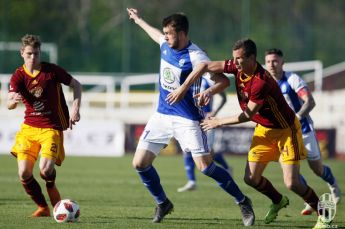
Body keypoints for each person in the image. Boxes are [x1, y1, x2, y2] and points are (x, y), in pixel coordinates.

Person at [127, 8, 255, 226]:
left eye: (170, 33)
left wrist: (207, 91)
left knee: (205, 167)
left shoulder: (196, 56)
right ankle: (163, 203)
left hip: (188, 119)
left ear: (183, 34)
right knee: (139, 163)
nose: (166, 37)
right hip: (162, 115)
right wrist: (138, 20)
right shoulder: (165, 45)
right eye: (165, 33)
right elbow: (154, 34)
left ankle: (242, 201)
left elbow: (223, 81)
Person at [187, 38, 330, 229]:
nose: (235, 63)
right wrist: (209, 89)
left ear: (252, 58)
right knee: (251, 178)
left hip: (286, 130)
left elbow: (247, 115)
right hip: (264, 130)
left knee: (292, 183)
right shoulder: (237, 66)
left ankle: (324, 214)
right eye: (234, 58)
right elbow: (207, 66)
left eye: (239, 59)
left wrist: (218, 122)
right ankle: (278, 201)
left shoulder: (261, 81)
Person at [7, 34, 82, 217]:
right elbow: (9, 102)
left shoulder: (52, 71)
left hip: (51, 127)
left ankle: (51, 185)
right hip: (29, 129)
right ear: (22, 53)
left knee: (46, 170)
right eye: (30, 54)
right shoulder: (18, 76)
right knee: (24, 173)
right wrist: (13, 101)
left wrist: (75, 108)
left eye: (37, 54)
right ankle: (43, 207)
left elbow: (76, 85)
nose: (34, 58)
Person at [265, 48, 341, 215]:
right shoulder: (265, 83)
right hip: (284, 136)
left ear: (282, 63)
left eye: (275, 61)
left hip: (304, 131)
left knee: (317, 169)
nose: (272, 64)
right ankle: (309, 200)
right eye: (269, 61)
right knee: (291, 174)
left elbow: (310, 102)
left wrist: (296, 118)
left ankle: (334, 187)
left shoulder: (292, 79)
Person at [177, 77, 233, 192]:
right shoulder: (187, 80)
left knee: (208, 153)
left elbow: (224, 98)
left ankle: (227, 168)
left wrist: (214, 112)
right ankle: (191, 181)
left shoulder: (209, 81)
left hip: (206, 121)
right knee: (187, 150)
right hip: (191, 120)